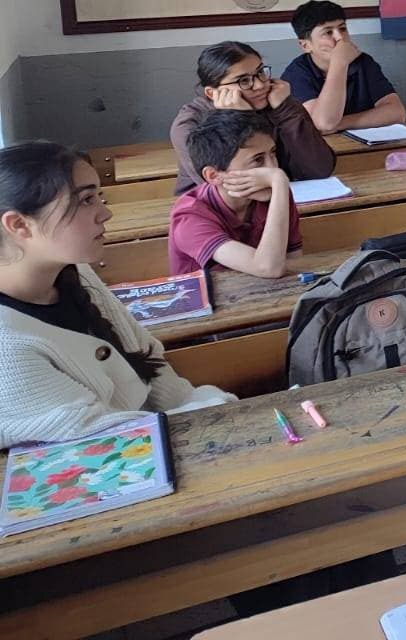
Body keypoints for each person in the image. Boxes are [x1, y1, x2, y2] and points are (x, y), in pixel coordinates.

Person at [0, 141, 233, 447]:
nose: (105, 213)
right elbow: (100, 435)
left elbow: (148, 362)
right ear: (20, 225)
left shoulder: (76, 272)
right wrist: (211, 407)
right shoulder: (7, 347)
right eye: (85, 201)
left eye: (99, 196)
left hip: (167, 441)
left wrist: (194, 403)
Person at [170, 41, 335, 195]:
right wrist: (239, 117)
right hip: (212, 212)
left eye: (260, 72)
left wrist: (285, 109)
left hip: (284, 198)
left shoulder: (277, 103)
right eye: (243, 81)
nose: (260, 85)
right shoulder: (189, 125)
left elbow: (320, 168)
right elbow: (230, 189)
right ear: (212, 93)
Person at [168, 111, 302, 278]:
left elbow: (294, 260)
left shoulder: (274, 191)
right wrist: (279, 182)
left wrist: (278, 187)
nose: (272, 168)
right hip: (211, 302)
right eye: (258, 159)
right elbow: (268, 268)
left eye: (273, 153)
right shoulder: (190, 216)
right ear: (214, 176)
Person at [283, 0, 406, 134]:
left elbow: (397, 113)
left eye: (342, 29)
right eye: (328, 32)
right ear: (306, 45)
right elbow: (325, 122)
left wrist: (339, 125)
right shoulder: (296, 74)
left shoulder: (363, 62)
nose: (340, 37)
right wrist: (339, 63)